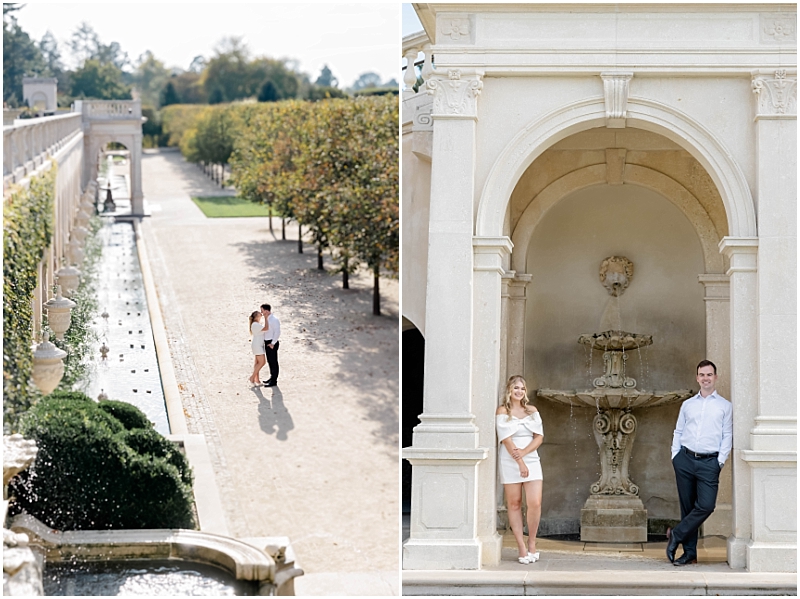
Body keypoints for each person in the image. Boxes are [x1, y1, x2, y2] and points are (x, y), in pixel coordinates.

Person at [667, 359, 732, 566]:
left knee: (705, 505)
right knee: (687, 508)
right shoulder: (688, 405)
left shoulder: (725, 406)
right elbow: (678, 430)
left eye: (709, 374)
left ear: (715, 377)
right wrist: (675, 456)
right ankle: (689, 554)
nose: (706, 378)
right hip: (685, 459)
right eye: (702, 375)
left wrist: (719, 462)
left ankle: (676, 534)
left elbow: (727, 435)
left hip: (709, 463)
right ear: (697, 378)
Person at [495, 375, 544, 565]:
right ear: (509, 390)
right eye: (516, 388)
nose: (519, 391)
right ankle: (521, 547)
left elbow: (539, 437)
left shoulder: (532, 410)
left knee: (535, 502)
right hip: (510, 459)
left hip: (530, 456)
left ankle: (532, 542)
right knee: (514, 503)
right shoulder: (502, 411)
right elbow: (506, 439)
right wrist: (520, 462)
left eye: (522, 389)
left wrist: (525, 453)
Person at [260, 303, 281, 387]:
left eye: (262, 311)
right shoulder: (266, 318)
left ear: (267, 311)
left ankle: (274, 380)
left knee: (273, 361)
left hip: (271, 343)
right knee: (270, 361)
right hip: (267, 342)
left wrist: (272, 343)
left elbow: (277, 332)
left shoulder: (274, 320)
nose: (261, 312)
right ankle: (272, 377)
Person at [248, 311, 267, 385]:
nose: (261, 314)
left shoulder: (257, 324)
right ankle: (252, 377)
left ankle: (257, 379)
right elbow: (266, 328)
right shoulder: (255, 324)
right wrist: (266, 318)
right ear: (256, 316)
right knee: (262, 362)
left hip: (258, 344)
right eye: (259, 314)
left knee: (257, 363)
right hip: (257, 345)